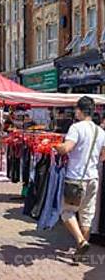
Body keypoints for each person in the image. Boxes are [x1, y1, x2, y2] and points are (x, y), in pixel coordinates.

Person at [55, 96, 105, 261]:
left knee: (66, 212)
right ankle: (79, 255)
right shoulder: (101, 131)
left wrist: (57, 146)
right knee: (87, 216)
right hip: (93, 178)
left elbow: (66, 149)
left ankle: (81, 241)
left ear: (80, 110)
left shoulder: (76, 128)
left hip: (76, 179)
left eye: (76, 109)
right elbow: (103, 157)